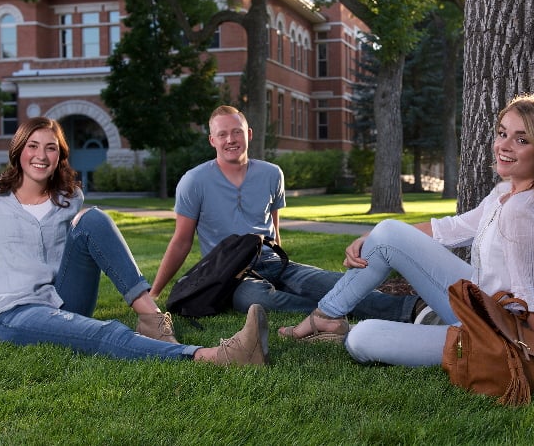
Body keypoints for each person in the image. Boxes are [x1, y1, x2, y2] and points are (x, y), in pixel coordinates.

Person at [279, 94, 534, 367]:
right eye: (503, 133)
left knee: (363, 338)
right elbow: (450, 229)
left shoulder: (523, 211)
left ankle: (411, 324)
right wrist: (373, 240)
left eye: (522, 140)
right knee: (388, 230)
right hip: (475, 302)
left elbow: (532, 301)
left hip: (494, 334)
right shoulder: (506, 193)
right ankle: (327, 316)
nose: (504, 146)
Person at [0, 117, 268, 366]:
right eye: (33, 146)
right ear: (18, 150)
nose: (41, 155)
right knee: (103, 333)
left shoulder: (68, 199)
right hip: (13, 314)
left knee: (93, 218)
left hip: (63, 300)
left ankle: (152, 319)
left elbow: (79, 251)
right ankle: (213, 356)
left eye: (51, 148)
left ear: (60, 156)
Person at [150, 105, 424, 333]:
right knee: (256, 300)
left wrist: (283, 266)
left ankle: (412, 309)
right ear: (212, 140)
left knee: (329, 281)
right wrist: (154, 294)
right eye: (222, 134)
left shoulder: (272, 174)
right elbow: (181, 241)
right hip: (229, 272)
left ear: (249, 134)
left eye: (237, 132)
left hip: (271, 260)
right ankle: (325, 313)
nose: (230, 139)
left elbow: (274, 226)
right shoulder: (194, 181)